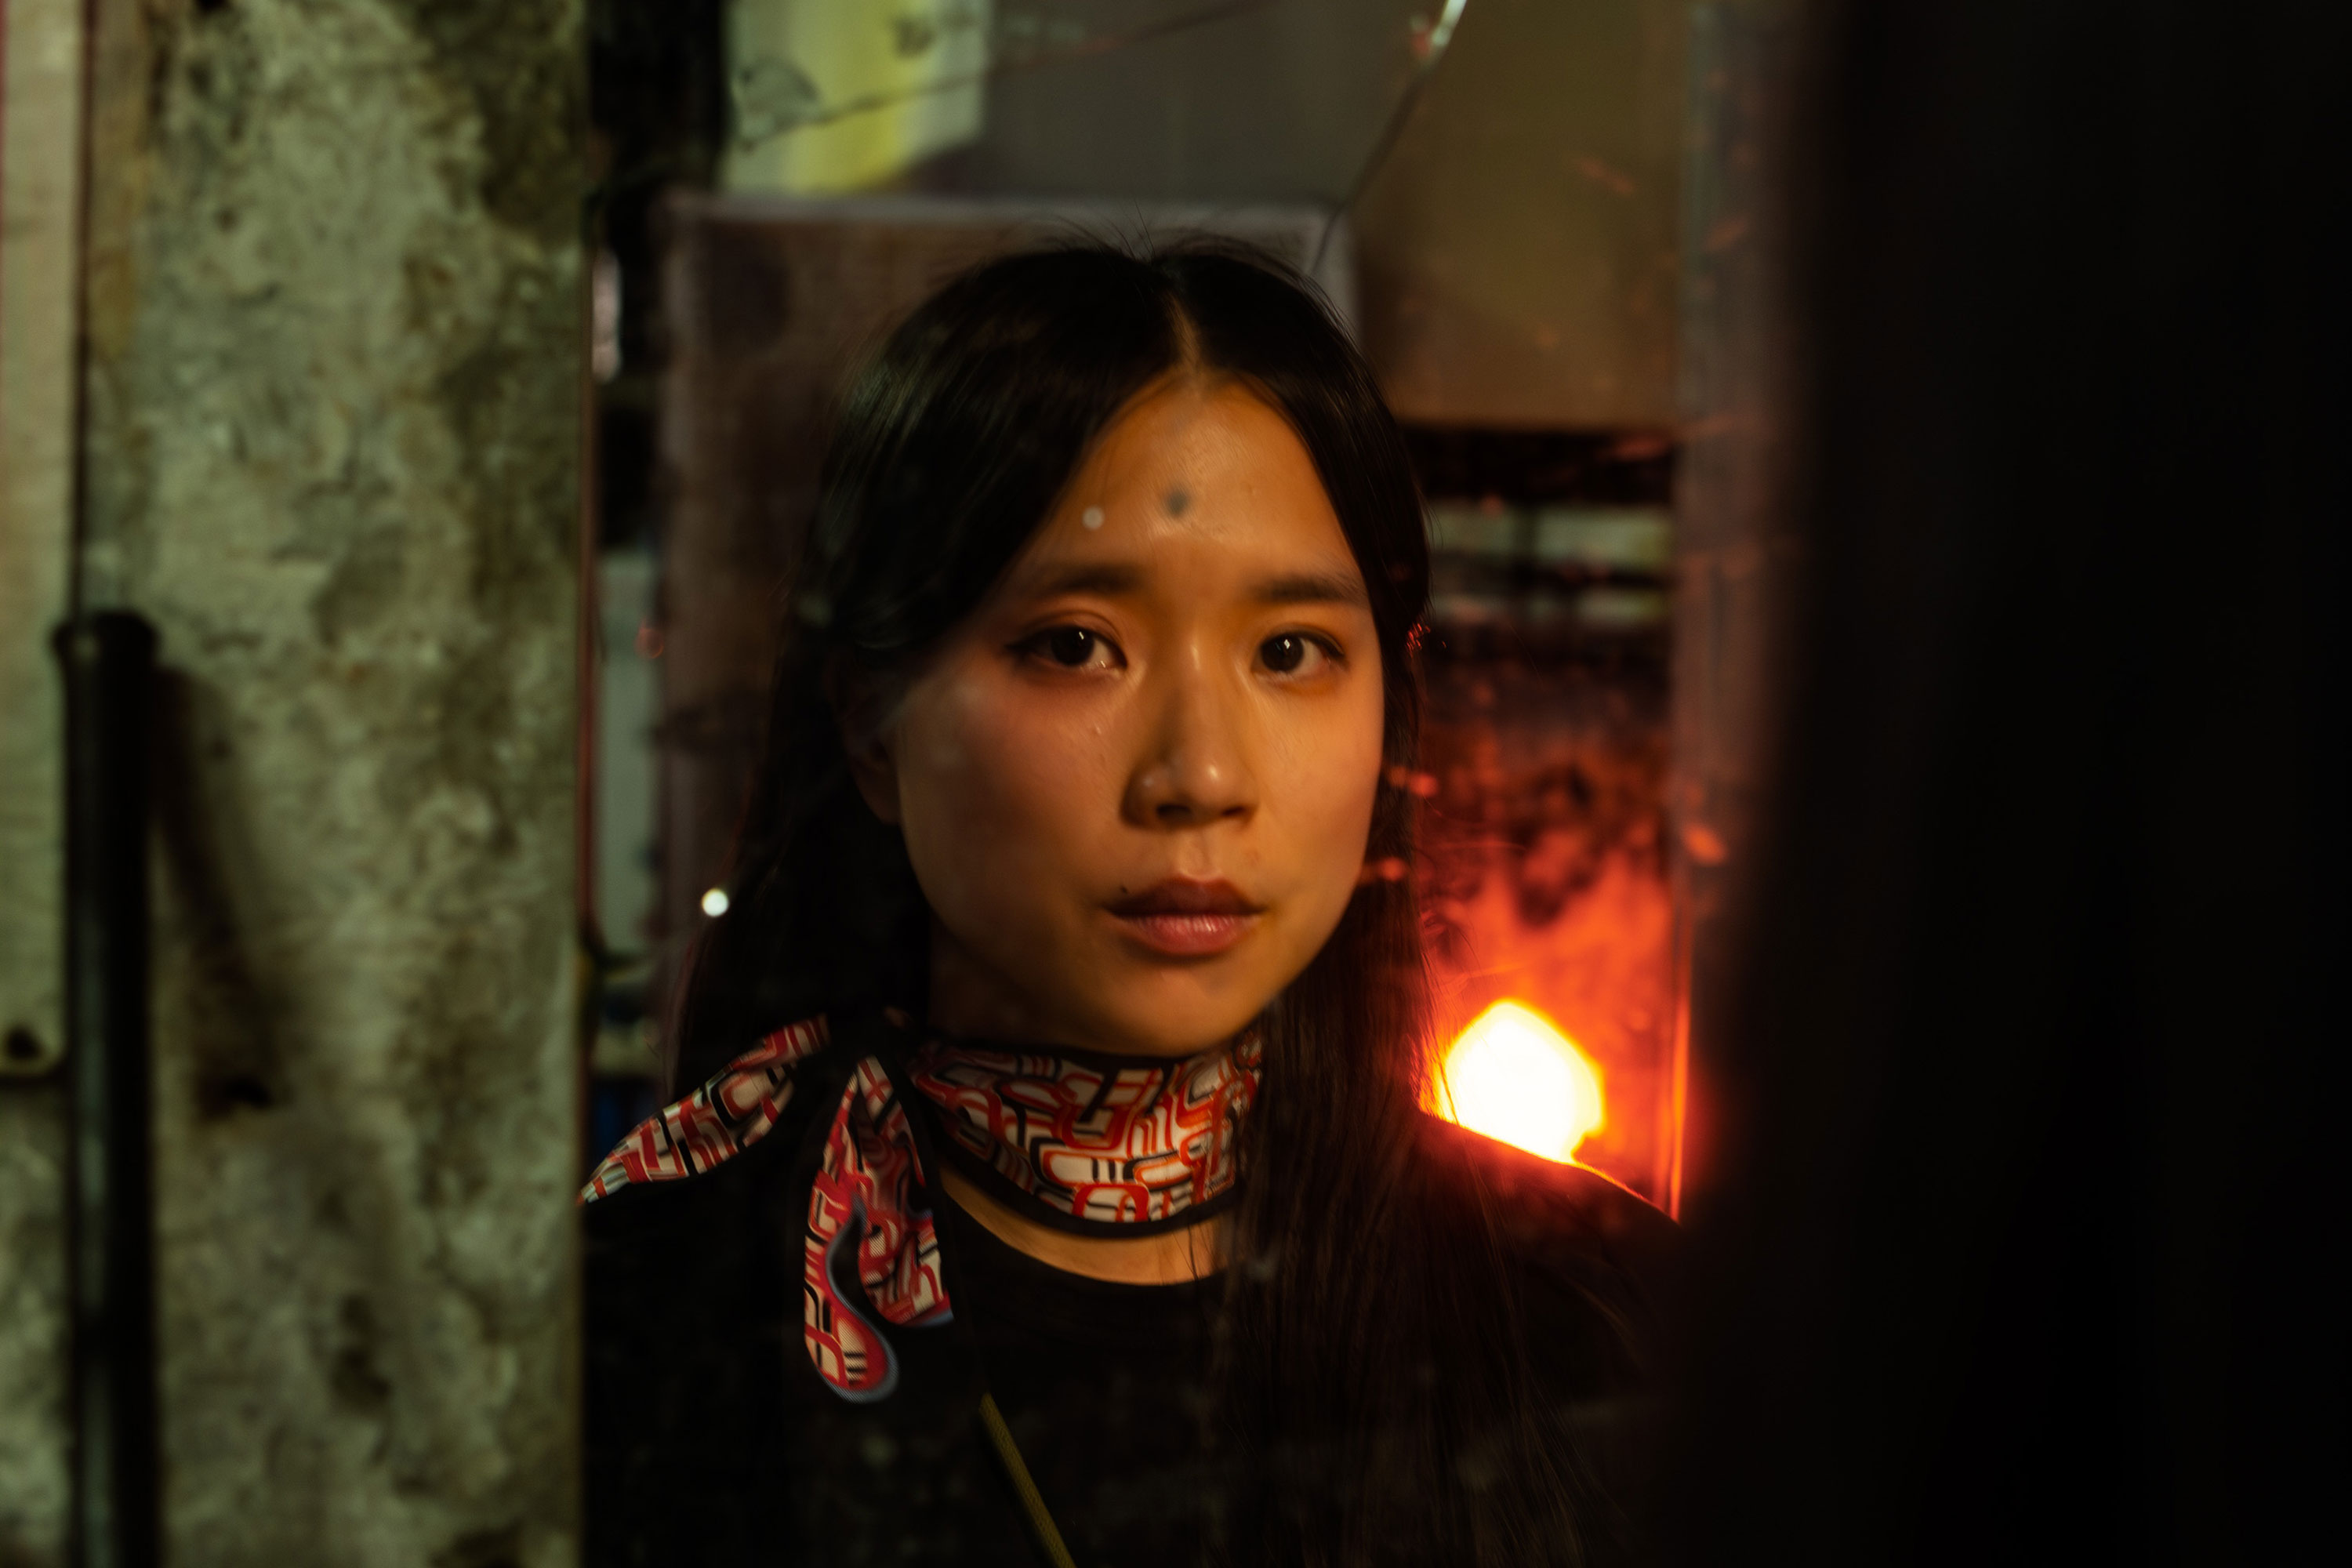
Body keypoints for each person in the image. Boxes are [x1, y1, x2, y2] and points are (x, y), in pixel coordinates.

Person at [582, 241, 1674, 1568]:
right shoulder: (633, 1325)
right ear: (869, 720)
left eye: (1291, 653)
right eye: (1075, 645)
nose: (1199, 775)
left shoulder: (1625, 1330)